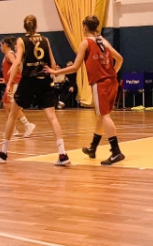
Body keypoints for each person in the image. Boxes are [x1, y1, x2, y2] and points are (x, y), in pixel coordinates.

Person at [46, 15, 125, 165]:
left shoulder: (85, 43)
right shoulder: (104, 41)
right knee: (101, 116)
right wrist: (113, 72)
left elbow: (76, 67)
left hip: (100, 82)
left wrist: (56, 72)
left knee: (105, 115)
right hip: (111, 81)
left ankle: (116, 152)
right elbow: (120, 58)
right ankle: (93, 147)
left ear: (84, 27)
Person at [0, 15, 70, 166]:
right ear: (36, 26)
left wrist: (8, 83)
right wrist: (52, 73)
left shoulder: (21, 41)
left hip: (28, 80)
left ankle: (3, 153)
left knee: (12, 115)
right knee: (52, 117)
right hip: (44, 80)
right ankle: (62, 154)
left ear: (24, 26)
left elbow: (17, 62)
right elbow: (53, 63)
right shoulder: (46, 40)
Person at [0, 36, 36, 137]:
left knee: (13, 106)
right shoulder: (8, 55)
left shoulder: (9, 55)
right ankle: (13, 129)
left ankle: (28, 125)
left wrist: (13, 71)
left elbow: (17, 63)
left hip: (14, 83)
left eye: (0, 45)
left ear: (5, 45)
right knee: (6, 106)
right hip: (10, 83)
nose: (0, 47)